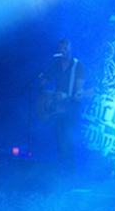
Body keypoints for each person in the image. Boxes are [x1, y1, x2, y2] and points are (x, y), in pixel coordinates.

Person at [37, 38, 88, 173]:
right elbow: (41, 86)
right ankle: (61, 169)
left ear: (70, 48)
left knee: (67, 136)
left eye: (66, 47)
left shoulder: (78, 66)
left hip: (71, 107)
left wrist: (72, 96)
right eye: (61, 47)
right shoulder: (54, 66)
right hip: (57, 107)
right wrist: (50, 94)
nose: (63, 50)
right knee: (58, 138)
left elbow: (79, 91)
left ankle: (71, 172)